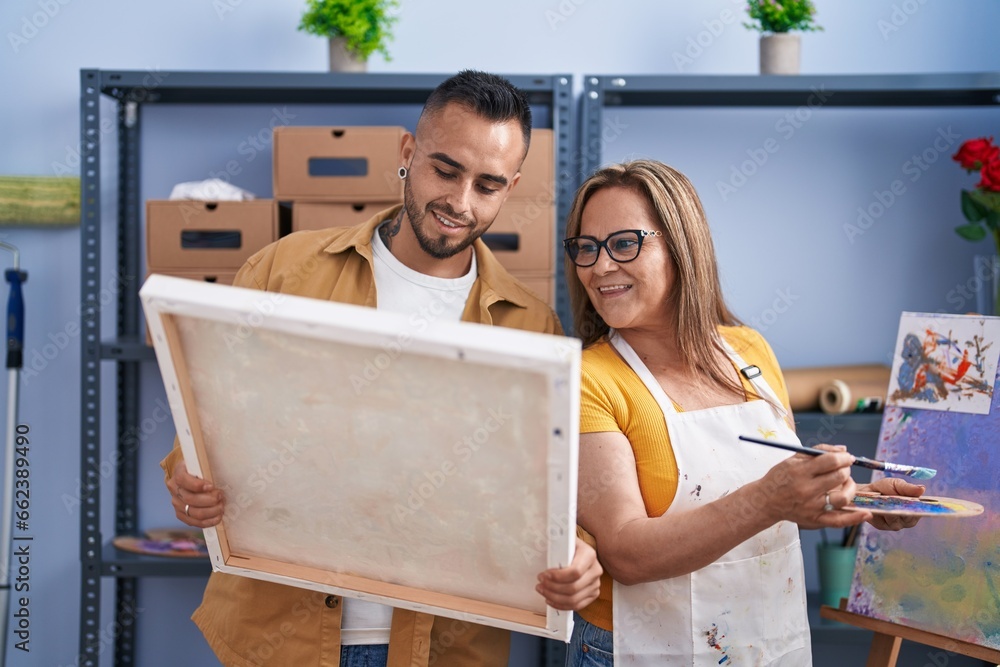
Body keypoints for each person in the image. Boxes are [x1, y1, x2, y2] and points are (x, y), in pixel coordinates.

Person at [160, 70, 602, 667]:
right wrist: (188, 479)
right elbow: (206, 429)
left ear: (511, 187)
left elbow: (536, 501)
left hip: (441, 648)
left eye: (488, 186)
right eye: (445, 171)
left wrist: (576, 556)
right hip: (276, 636)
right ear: (407, 152)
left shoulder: (531, 328)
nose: (459, 203)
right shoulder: (284, 272)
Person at [561, 159, 922, 666]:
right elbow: (625, 553)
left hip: (766, 639)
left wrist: (859, 497)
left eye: (623, 243)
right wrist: (769, 500)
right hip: (642, 649)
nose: (599, 267)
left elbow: (782, 499)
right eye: (586, 248)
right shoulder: (587, 379)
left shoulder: (748, 349)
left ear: (681, 246)